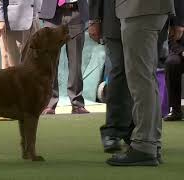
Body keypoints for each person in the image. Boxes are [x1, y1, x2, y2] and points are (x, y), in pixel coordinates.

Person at [106, 0, 174, 166]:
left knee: (140, 81)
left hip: (139, 9)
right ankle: (151, 143)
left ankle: (144, 145)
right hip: (149, 10)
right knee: (147, 79)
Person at [88, 0, 133, 153]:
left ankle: (139, 131)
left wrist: (178, 19)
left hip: (153, 16)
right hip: (114, 17)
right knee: (118, 71)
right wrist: (94, 19)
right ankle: (113, 131)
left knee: (143, 74)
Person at [39, 0, 90, 114]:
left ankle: (77, 103)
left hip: (76, 12)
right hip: (53, 15)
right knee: (51, 62)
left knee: (75, 62)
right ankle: (49, 103)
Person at [0, 0, 41, 69]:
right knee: (13, 65)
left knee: (33, 63)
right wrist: (0, 19)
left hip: (34, 19)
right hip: (14, 21)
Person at [164, 1, 184, 121]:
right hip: (181, 52)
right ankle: (175, 110)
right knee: (172, 63)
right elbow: (172, 39)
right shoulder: (179, 7)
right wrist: (181, 51)